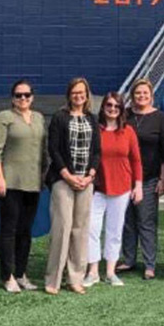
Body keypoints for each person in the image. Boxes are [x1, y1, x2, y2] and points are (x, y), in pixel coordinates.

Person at [43, 77, 101, 295]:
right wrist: (67, 175)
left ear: (87, 95)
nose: (78, 96)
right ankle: (53, 280)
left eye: (82, 93)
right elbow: (54, 149)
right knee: (62, 228)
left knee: (80, 230)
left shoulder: (92, 119)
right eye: (75, 92)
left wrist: (90, 176)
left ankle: (75, 278)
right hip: (63, 180)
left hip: (86, 181)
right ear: (69, 95)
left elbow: (97, 151)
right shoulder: (60, 117)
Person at [0, 79, 48, 293]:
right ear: (12, 97)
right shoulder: (4, 117)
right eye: (18, 95)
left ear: (32, 96)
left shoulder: (39, 118)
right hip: (11, 182)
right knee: (9, 230)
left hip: (33, 183)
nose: (23, 98)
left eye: (27, 94)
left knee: (25, 231)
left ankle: (21, 273)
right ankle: (7, 276)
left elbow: (43, 151)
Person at [85, 92, 143, 287]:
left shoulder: (128, 131)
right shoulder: (95, 130)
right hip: (98, 187)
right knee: (92, 229)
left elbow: (136, 160)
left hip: (122, 187)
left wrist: (138, 185)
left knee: (114, 230)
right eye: (109, 105)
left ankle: (110, 272)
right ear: (103, 107)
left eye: (116, 107)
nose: (112, 109)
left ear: (121, 110)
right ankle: (93, 271)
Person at [118, 78, 164, 280]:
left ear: (151, 95)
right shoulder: (126, 116)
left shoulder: (161, 119)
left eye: (145, 93)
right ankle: (129, 259)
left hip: (149, 179)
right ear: (132, 95)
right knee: (127, 222)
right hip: (125, 178)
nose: (141, 96)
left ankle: (150, 264)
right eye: (138, 93)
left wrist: (163, 179)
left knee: (146, 221)